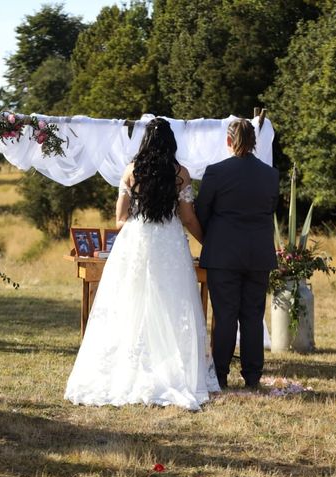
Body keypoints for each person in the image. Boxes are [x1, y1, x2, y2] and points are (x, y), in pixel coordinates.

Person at [65, 118, 219, 410]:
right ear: (171, 142)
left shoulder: (130, 172)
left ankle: (128, 366)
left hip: (136, 241)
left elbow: (119, 220)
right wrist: (208, 241)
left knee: (130, 302)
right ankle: (170, 367)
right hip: (169, 243)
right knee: (172, 303)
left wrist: (138, 223)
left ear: (145, 141)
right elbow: (187, 218)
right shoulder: (180, 174)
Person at [195, 118, 279, 390]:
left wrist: (217, 237)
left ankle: (220, 374)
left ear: (228, 141)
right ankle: (253, 376)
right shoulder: (270, 174)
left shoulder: (216, 172)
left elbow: (202, 212)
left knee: (225, 314)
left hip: (223, 254)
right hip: (258, 254)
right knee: (253, 315)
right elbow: (269, 210)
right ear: (254, 143)